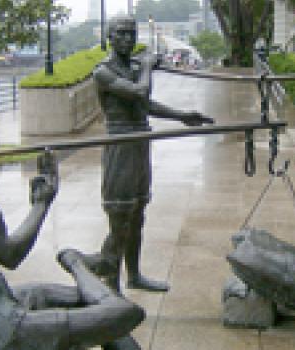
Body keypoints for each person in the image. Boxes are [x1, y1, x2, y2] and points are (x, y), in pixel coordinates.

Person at [0, 58, 144, 350]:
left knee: (70, 298)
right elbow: (10, 254)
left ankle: (77, 266)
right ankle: (75, 262)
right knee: (122, 314)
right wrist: (41, 203)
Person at [90, 15, 213, 292]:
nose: (128, 39)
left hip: (140, 141)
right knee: (119, 216)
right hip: (120, 145)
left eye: (132, 34)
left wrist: (182, 115)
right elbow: (138, 92)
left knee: (137, 214)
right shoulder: (103, 71)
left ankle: (134, 276)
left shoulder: (133, 67)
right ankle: (111, 285)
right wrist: (147, 66)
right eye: (121, 34)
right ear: (110, 37)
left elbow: (145, 104)